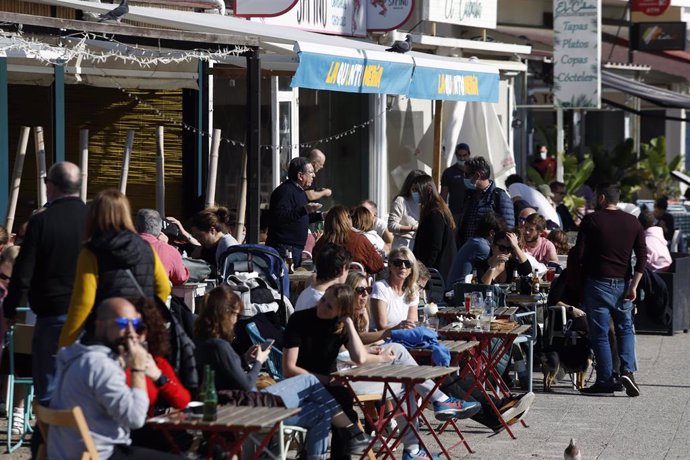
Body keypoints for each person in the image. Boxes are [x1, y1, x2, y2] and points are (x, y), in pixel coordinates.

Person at [194, 285, 372, 459]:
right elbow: (248, 385)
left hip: (242, 402)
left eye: (329, 305)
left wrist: (244, 360)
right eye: (235, 315)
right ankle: (353, 431)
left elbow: (226, 373)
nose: (236, 320)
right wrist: (258, 362)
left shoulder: (206, 343)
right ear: (225, 315)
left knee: (322, 412)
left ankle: (348, 437)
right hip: (247, 406)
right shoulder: (220, 346)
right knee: (310, 381)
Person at [48, 297, 180, 460]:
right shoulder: (100, 365)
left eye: (136, 325)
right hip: (100, 454)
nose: (131, 332)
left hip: (66, 452)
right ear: (100, 325)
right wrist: (138, 369)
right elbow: (135, 418)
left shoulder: (74, 355)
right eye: (123, 324)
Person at [3, 161, 88, 404]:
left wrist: (10, 309)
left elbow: (23, 272)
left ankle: (49, 437)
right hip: (88, 314)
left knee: (49, 386)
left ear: (51, 186)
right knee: (81, 384)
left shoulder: (41, 221)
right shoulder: (93, 220)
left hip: (53, 312)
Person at [59, 189, 171, 347]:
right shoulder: (146, 248)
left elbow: (83, 302)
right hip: (138, 335)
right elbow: (164, 288)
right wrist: (142, 316)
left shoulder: (91, 252)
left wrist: (65, 344)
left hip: (105, 337)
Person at [575, 183, 646, 397]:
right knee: (625, 329)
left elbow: (579, 254)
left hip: (597, 283)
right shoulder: (633, 222)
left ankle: (605, 380)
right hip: (624, 284)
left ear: (603, 198)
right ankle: (627, 371)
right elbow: (643, 257)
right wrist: (633, 286)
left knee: (600, 334)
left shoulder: (592, 220)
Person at [127, 299, 192, 451]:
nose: (132, 334)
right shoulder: (109, 362)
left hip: (144, 433)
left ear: (149, 331)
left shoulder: (155, 361)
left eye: (139, 328)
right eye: (124, 325)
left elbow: (183, 401)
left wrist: (158, 377)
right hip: (122, 437)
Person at [267, 157, 323, 267]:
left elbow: (302, 217)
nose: (314, 176)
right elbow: (280, 217)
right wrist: (305, 209)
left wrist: (322, 215)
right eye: (311, 172)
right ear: (300, 176)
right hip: (284, 248)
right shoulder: (285, 191)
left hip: (294, 249)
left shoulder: (300, 192)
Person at [457, 157, 514, 247]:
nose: (464, 177)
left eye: (466, 174)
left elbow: (508, 230)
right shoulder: (469, 195)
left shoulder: (499, 196)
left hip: (488, 254)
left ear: (477, 176)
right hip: (466, 250)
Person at [312, 206, 384, 275]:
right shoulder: (359, 239)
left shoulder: (321, 242)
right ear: (348, 220)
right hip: (353, 284)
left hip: (326, 284)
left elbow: (315, 263)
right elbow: (378, 265)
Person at [412, 174, 456, 279]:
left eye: (416, 190)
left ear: (428, 190)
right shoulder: (433, 210)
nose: (414, 194)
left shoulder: (435, 213)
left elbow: (435, 246)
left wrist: (425, 273)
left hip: (437, 271)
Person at [447, 213, 507, 285]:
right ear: (492, 233)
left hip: (454, 288)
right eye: (499, 236)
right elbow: (491, 275)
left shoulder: (474, 241)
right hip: (459, 290)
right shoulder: (482, 247)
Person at [135, 209, 189, 286]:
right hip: (154, 296)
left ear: (136, 227)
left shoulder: (120, 245)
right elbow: (180, 279)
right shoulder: (171, 251)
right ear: (160, 229)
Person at [370, 246, 419, 331]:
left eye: (407, 264)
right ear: (389, 266)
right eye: (398, 263)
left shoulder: (413, 290)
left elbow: (412, 325)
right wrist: (401, 328)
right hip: (383, 340)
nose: (403, 266)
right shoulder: (380, 287)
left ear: (411, 269)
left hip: (405, 338)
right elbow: (382, 327)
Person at [294, 243, 351, 311]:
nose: (348, 274)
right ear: (342, 270)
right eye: (348, 270)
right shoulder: (324, 303)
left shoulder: (306, 293)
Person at [388, 169, 425, 250]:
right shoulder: (401, 200)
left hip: (419, 245)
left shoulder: (424, 202)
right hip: (402, 246)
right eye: (415, 188)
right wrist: (412, 228)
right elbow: (391, 226)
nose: (418, 191)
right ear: (410, 185)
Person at [440, 143, 471, 225]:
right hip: (455, 213)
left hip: (471, 213)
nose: (462, 158)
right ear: (456, 155)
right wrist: (444, 213)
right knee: (454, 236)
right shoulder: (448, 172)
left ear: (469, 154)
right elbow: (443, 195)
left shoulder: (474, 171)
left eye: (465, 155)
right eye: (459, 155)